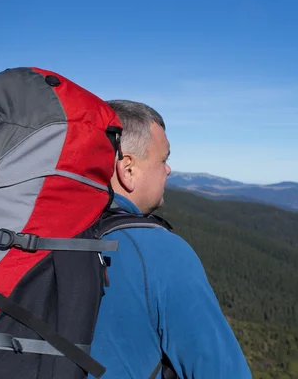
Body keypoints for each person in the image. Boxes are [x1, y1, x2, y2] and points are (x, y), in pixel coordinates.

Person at [89, 100, 252, 378]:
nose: (169, 169)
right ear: (128, 169)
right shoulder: (160, 253)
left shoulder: (34, 234)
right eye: (163, 159)